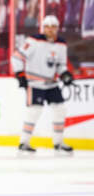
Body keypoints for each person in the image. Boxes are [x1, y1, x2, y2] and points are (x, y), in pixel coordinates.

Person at [11, 15, 74, 154]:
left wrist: (65, 74)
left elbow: (60, 65)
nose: (50, 30)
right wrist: (20, 74)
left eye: (53, 27)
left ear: (57, 28)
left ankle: (58, 143)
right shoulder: (33, 40)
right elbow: (17, 57)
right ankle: (24, 142)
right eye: (47, 27)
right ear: (43, 28)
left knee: (60, 109)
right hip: (35, 83)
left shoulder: (61, 44)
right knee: (34, 111)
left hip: (51, 83)